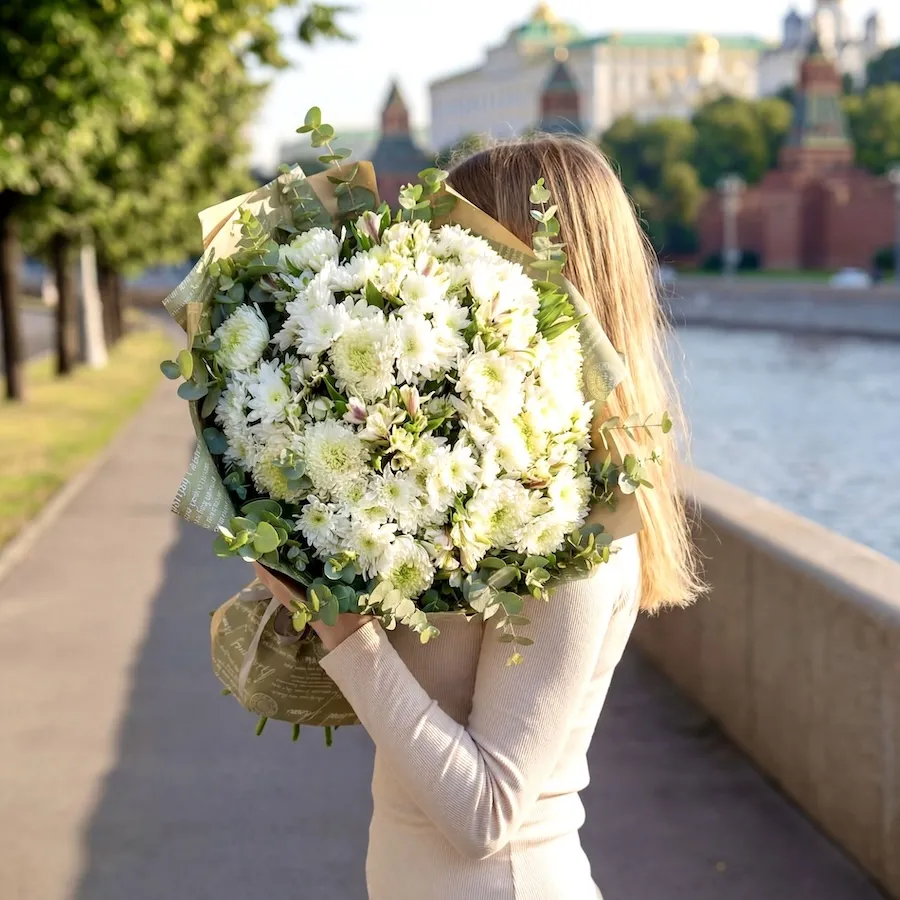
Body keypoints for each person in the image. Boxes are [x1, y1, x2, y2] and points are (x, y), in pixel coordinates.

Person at [254, 135, 701, 900]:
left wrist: (346, 632)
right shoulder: (481, 489)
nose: (430, 278)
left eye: (459, 251)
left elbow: (486, 813)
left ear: (541, 279)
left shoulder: (578, 532)